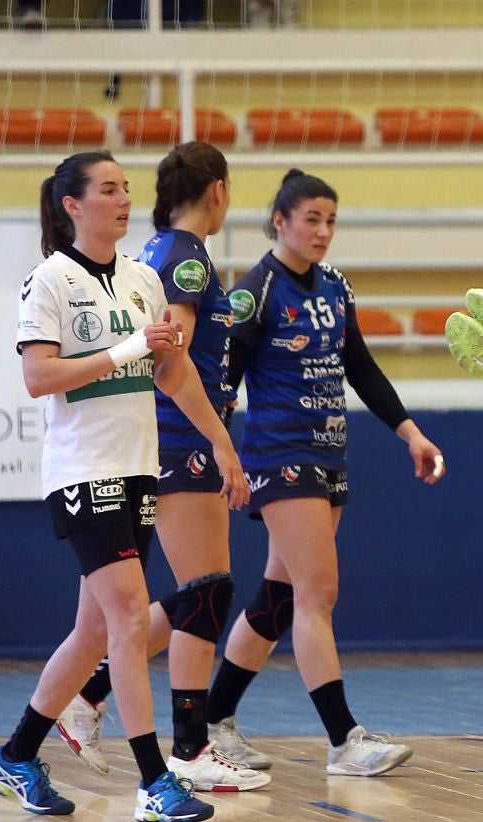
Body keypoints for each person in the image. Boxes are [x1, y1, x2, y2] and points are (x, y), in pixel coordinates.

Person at [0, 150, 246, 822]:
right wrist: (129, 350)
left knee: (94, 631)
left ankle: (15, 756)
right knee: (131, 617)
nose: (123, 199)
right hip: (82, 471)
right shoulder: (50, 281)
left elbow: (174, 374)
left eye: (127, 188)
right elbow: (40, 377)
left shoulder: (139, 280)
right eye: (107, 189)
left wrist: (220, 440)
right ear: (72, 205)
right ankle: (156, 780)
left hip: (138, 468)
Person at [200, 168, 446, 778]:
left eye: (331, 220)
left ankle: (213, 721)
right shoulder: (254, 292)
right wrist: (223, 455)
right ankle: (344, 741)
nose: (323, 231)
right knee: (319, 594)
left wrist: (409, 433)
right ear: (280, 221)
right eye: (311, 219)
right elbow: (222, 386)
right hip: (280, 458)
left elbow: (360, 367)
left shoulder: (336, 288)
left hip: (329, 452)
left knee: (279, 599)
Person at [54, 142, 269, 793]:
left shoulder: (154, 256)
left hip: (166, 443)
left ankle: (88, 697)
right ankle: (187, 747)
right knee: (206, 590)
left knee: (166, 601)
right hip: (177, 444)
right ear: (219, 192)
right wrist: (220, 443)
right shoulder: (186, 260)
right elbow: (168, 352)